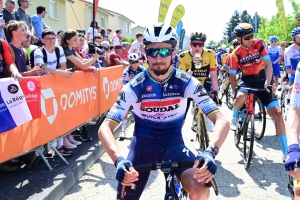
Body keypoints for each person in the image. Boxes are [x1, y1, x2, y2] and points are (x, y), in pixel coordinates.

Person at [98, 23, 229, 200]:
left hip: (173, 145)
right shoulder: (134, 86)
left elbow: (221, 121)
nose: (158, 57)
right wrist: (118, 160)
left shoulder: (186, 82)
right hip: (142, 148)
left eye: (165, 51)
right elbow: (105, 127)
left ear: (174, 52)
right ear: (145, 53)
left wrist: (210, 153)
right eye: (152, 51)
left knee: (200, 190)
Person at [229, 23, 287, 160]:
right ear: (239, 39)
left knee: (278, 114)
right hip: (246, 81)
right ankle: (235, 116)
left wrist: (268, 83)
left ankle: (286, 152)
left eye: (251, 36)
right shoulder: (234, 54)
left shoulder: (259, 44)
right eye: (247, 37)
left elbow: (268, 65)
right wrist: (234, 91)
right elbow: (232, 78)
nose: (250, 39)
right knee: (240, 97)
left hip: (262, 80)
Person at [178, 31, 219, 124]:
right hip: (189, 85)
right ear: (190, 44)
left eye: (200, 44)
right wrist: (192, 68)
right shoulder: (183, 56)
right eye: (194, 44)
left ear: (203, 45)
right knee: (181, 119)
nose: (197, 47)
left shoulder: (210, 53)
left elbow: (213, 75)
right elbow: (183, 80)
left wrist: (215, 90)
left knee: (213, 113)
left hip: (204, 83)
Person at [119, 53, 145, 139]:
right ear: (129, 63)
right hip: (130, 91)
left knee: (142, 112)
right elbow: (123, 84)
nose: (135, 64)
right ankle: (123, 130)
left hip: (140, 92)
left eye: (137, 61)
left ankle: (139, 130)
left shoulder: (143, 69)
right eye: (133, 62)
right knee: (125, 110)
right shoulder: (126, 71)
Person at [283, 27, 300, 108]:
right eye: (299, 36)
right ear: (294, 38)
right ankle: (289, 100)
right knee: (292, 87)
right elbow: (288, 69)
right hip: (293, 72)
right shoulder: (288, 51)